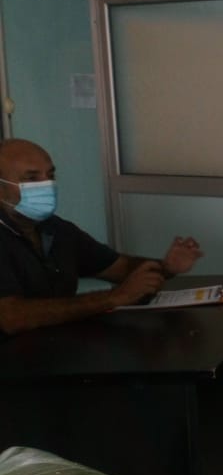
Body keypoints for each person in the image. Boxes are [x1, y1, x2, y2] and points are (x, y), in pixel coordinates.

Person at [0, 138, 203, 335]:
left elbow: (119, 267)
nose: (47, 185)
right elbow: (11, 317)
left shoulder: (57, 229)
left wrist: (166, 267)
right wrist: (114, 297)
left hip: (60, 346)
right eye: (32, 179)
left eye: (51, 175)